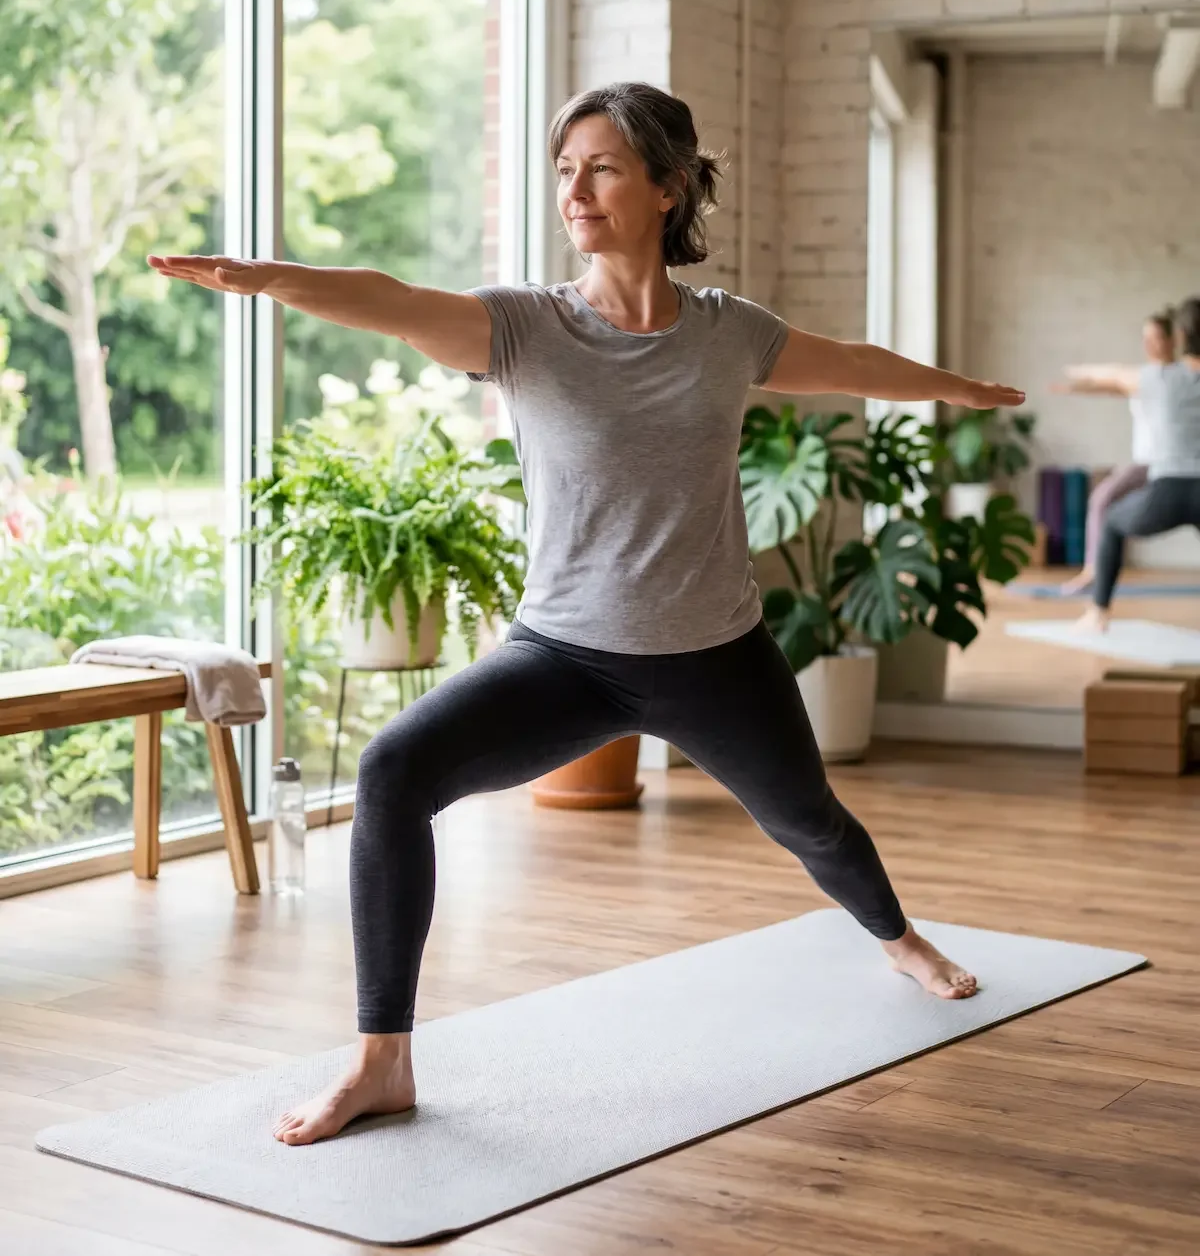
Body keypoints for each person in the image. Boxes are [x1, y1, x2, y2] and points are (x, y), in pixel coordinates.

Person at [148, 82, 1024, 1148]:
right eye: (565, 169)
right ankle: (383, 1059)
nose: (576, 189)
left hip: (715, 655)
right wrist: (269, 278)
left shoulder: (728, 334)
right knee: (394, 772)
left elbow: (852, 365)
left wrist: (963, 387)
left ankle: (898, 936)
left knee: (811, 822)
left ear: (667, 185)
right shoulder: (521, 327)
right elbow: (390, 295)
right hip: (565, 655)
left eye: (601, 167)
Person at [1057, 297, 1200, 631]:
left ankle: (1098, 613)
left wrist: (1077, 373)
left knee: (1111, 522)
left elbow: (1114, 376)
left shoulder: (1157, 378)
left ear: (1178, 337)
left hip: (1168, 490)